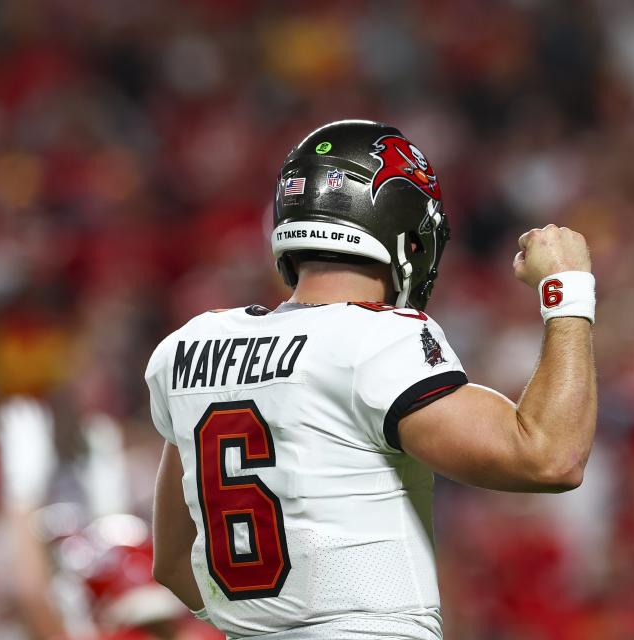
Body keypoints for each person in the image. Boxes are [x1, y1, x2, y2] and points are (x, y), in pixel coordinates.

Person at [145, 120, 598, 639]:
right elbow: (550, 457)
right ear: (406, 234)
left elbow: (174, 563)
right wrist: (568, 290)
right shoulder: (375, 339)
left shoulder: (191, 346)